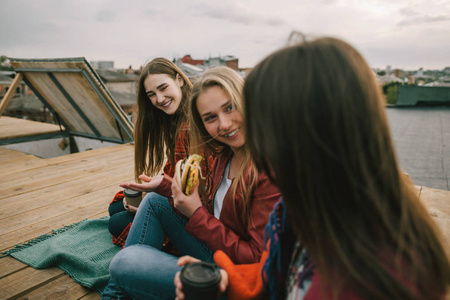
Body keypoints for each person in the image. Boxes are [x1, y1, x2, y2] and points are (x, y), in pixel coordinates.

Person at [175, 35, 450, 300]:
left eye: (260, 115)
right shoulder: (312, 209)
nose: (242, 127)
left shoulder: (364, 276)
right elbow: (276, 271)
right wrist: (230, 282)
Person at [102, 66, 281, 299]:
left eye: (230, 107)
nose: (224, 124)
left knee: (124, 261)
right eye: (210, 118)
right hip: (218, 252)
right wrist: (165, 185)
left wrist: (196, 213)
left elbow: (256, 260)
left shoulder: (268, 169)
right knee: (155, 201)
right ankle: (116, 295)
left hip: (238, 277)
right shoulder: (226, 155)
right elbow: (212, 212)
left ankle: (116, 293)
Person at [107, 57, 213, 246]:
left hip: (194, 212)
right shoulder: (176, 118)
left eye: (163, 88)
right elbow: (175, 172)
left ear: (179, 80)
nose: (159, 99)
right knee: (117, 207)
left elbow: (192, 191)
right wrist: (151, 191)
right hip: (180, 195)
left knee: (116, 222)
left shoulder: (189, 126)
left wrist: (152, 199)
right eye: (152, 94)